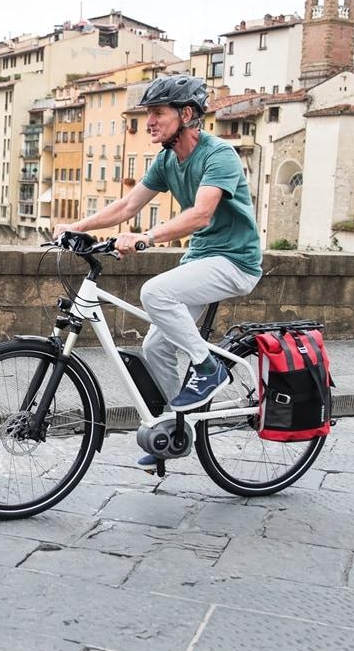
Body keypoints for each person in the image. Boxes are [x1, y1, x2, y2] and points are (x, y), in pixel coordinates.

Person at [54, 74, 262, 468]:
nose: (149, 121)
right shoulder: (168, 160)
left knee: (155, 293)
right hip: (201, 261)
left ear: (186, 115)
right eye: (147, 113)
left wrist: (146, 237)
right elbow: (127, 205)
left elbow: (201, 214)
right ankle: (175, 428)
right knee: (155, 348)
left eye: (157, 113)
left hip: (235, 262)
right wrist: (77, 227)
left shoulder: (220, 156)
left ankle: (208, 367)